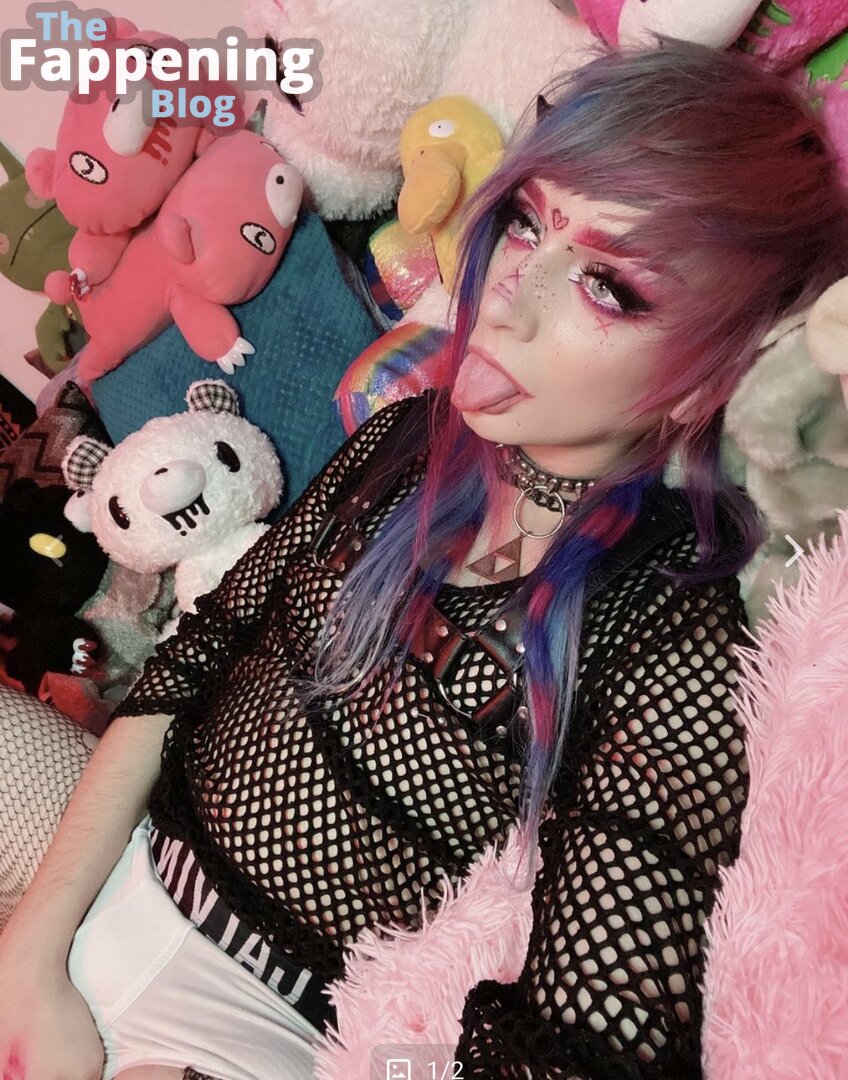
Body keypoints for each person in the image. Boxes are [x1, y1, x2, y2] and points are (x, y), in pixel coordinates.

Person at [2, 40, 847, 1080]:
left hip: (245, 1034)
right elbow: (191, 665)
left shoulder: (673, 621)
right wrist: (31, 952)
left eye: (610, 286)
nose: (506, 297)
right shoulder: (404, 440)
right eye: (526, 221)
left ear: (714, 373)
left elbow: (585, 1035)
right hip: (103, 869)